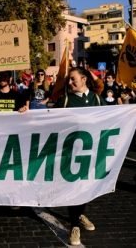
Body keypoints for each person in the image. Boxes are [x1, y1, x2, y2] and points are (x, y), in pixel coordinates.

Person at [55, 67, 105, 245]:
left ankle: (80, 214)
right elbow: (47, 120)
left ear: (84, 79)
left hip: (92, 154)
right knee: (74, 188)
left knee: (86, 188)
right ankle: (74, 225)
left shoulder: (97, 99)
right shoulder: (65, 100)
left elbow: (112, 118)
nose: (69, 82)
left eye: (73, 79)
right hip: (70, 154)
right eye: (69, 79)